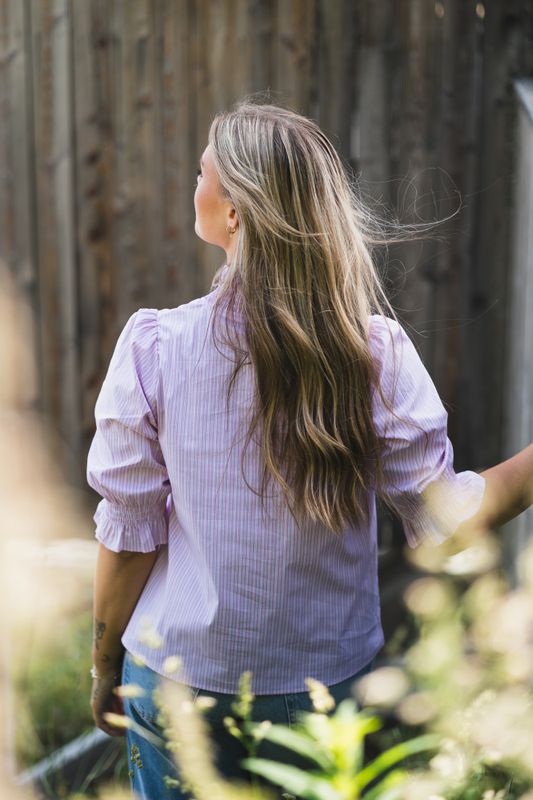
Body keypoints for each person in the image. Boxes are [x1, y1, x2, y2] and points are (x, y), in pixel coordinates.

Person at [86, 100, 533, 800]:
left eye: (199, 171)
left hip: (174, 681)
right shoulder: (373, 355)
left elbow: (131, 533)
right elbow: (447, 523)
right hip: (321, 692)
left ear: (232, 212)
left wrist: (103, 662)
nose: (191, 183)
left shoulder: (155, 351)